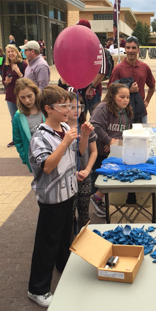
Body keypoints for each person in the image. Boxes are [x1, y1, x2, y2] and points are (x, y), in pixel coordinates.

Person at [27, 85, 93, 308]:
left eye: (70, 105)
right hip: (52, 198)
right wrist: (65, 142)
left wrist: (83, 136)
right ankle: (37, 289)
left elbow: (80, 152)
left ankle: (63, 266)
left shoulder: (65, 127)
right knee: (47, 243)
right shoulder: (40, 136)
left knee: (65, 236)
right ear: (48, 108)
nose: (69, 109)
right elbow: (47, 166)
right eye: (63, 105)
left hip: (69, 192)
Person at [89, 83, 133, 216]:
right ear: (113, 96)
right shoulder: (102, 108)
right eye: (122, 97)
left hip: (114, 150)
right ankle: (95, 201)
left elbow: (124, 130)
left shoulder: (125, 110)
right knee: (98, 176)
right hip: (99, 150)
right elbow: (95, 126)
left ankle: (97, 199)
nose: (126, 100)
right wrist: (108, 140)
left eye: (128, 97)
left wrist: (115, 141)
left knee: (109, 175)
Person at [66, 92, 97, 232]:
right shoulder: (61, 130)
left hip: (84, 176)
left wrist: (88, 169)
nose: (76, 110)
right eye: (71, 107)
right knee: (69, 213)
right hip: (68, 178)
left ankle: (84, 241)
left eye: (79, 106)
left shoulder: (86, 127)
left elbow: (93, 151)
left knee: (84, 212)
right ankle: (70, 241)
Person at [108, 36, 155, 123]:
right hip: (122, 112)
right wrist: (129, 90)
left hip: (141, 111)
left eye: (133, 48)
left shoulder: (144, 67)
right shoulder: (118, 69)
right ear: (125, 49)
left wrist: (147, 100)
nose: (130, 50)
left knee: (141, 136)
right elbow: (111, 89)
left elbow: (152, 85)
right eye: (128, 47)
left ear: (138, 50)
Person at [75, 19, 108, 114]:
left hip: (93, 89)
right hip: (78, 89)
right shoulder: (75, 46)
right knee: (78, 117)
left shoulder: (96, 46)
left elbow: (102, 71)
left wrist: (91, 87)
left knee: (95, 117)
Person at [12, 78, 43, 172]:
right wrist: (25, 157)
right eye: (23, 97)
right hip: (33, 159)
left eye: (30, 96)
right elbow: (17, 140)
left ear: (35, 93)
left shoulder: (45, 109)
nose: (27, 100)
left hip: (51, 156)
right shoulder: (18, 116)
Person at [2, 44, 28, 148]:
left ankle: (25, 138)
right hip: (10, 96)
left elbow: (27, 81)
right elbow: (3, 82)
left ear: (16, 52)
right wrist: (6, 81)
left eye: (12, 51)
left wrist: (18, 72)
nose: (10, 53)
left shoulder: (23, 64)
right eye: (8, 52)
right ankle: (15, 139)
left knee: (23, 117)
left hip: (21, 96)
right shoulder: (5, 66)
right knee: (13, 118)